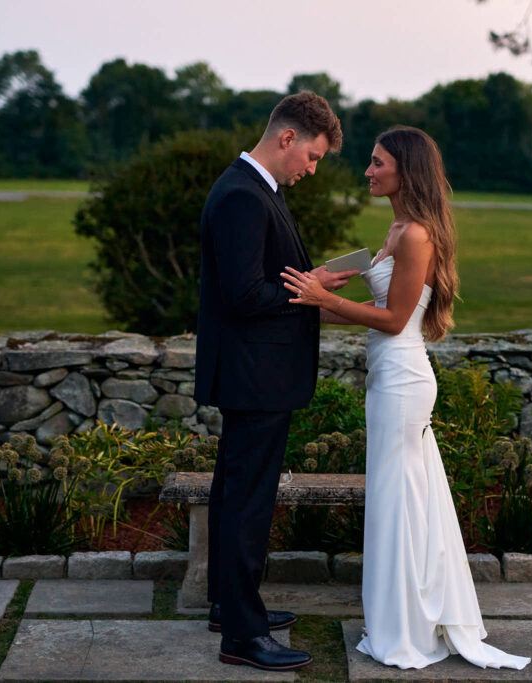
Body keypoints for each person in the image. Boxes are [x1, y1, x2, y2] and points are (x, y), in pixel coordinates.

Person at [281, 126, 532, 671]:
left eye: (377, 163)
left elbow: (395, 321)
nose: (367, 172)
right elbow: (371, 315)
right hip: (387, 377)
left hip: (403, 380)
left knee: (399, 497)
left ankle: (407, 628)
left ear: (405, 169)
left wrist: (325, 297)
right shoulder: (395, 227)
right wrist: (308, 297)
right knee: (400, 496)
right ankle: (399, 617)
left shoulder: (417, 234)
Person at [194, 91, 357, 672]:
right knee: (247, 501)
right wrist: (307, 295)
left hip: (253, 371)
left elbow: (260, 278)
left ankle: (228, 606)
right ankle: (241, 634)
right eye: (311, 157)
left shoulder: (253, 187)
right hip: (253, 374)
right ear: (287, 138)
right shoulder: (242, 194)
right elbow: (241, 296)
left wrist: (309, 282)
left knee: (235, 491)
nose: (311, 170)